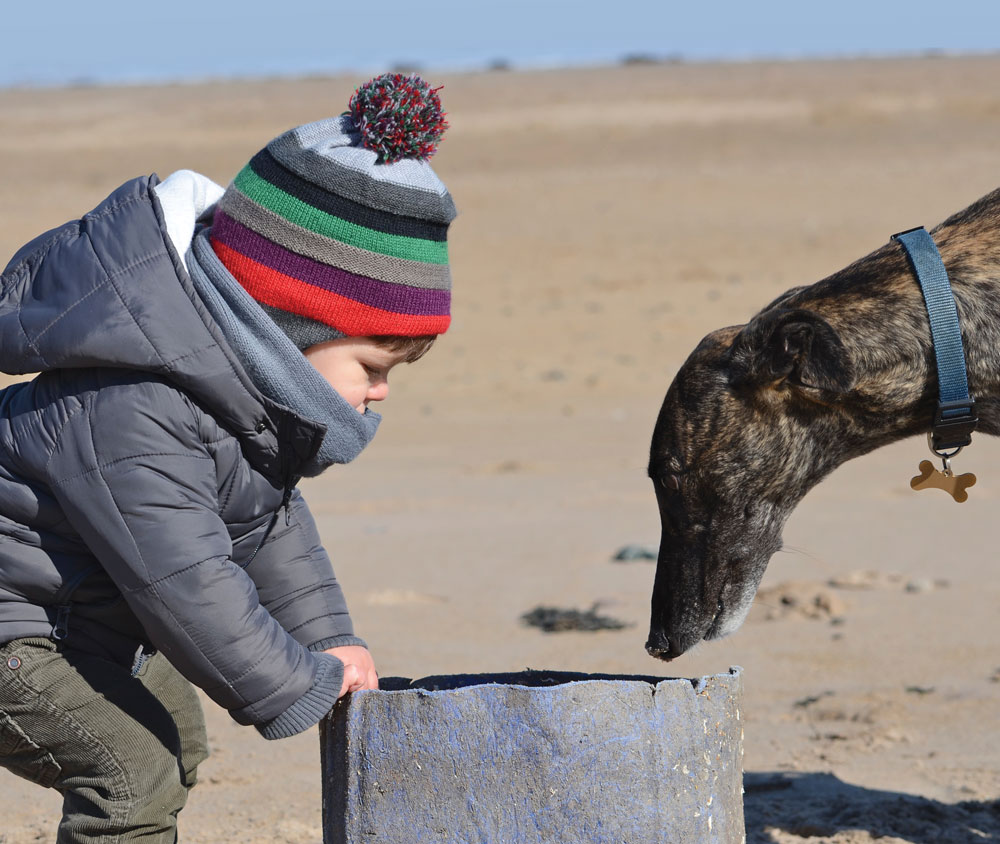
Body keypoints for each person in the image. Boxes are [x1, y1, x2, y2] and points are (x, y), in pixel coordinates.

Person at [0, 72, 455, 842]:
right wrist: (296, 682)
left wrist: (329, 637)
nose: (382, 393)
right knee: (130, 767)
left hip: (70, 619)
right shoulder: (135, 405)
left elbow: (266, 528)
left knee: (175, 731)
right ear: (288, 329)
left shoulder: (234, 403)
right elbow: (185, 582)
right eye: (373, 367)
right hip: (16, 632)